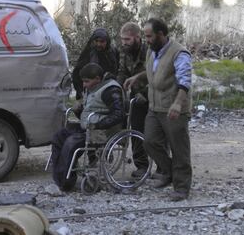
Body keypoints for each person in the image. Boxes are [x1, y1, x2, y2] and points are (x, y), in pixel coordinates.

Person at [124, 18, 192, 202]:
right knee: (150, 142)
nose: (146, 40)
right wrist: (138, 77)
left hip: (173, 108)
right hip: (155, 107)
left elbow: (185, 81)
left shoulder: (179, 53)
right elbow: (153, 72)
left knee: (179, 149)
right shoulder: (153, 52)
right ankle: (169, 172)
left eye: (149, 36)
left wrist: (178, 104)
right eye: (145, 36)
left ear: (161, 35)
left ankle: (181, 187)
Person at [51, 63, 124, 191]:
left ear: (97, 78)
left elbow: (119, 114)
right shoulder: (93, 88)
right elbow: (90, 112)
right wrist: (78, 110)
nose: (84, 85)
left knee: (71, 142)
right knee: (59, 136)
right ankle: (60, 178)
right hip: (89, 127)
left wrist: (98, 125)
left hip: (102, 131)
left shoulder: (110, 90)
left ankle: (66, 183)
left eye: (86, 81)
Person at [117, 22, 150, 178]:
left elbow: (156, 75)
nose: (124, 42)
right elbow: (122, 71)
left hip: (154, 95)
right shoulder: (125, 51)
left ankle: (163, 168)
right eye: (122, 39)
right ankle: (142, 166)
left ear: (137, 38)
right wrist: (117, 87)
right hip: (135, 97)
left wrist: (145, 93)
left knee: (157, 134)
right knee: (135, 130)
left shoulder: (149, 51)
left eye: (127, 39)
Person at [72, 28, 119, 100]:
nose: (99, 44)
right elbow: (76, 74)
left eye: (102, 41)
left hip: (108, 89)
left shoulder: (112, 52)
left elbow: (117, 70)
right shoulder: (88, 53)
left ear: (107, 42)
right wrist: (80, 93)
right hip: (90, 92)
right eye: (96, 41)